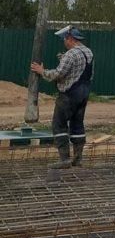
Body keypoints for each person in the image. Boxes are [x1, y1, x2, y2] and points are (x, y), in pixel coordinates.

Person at [30, 26, 94, 169]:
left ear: (70, 38)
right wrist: (63, 58)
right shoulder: (88, 52)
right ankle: (78, 159)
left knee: (59, 125)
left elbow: (58, 74)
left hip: (69, 95)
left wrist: (42, 71)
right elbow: (80, 70)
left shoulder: (71, 54)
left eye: (65, 39)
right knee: (77, 125)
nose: (64, 42)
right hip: (83, 94)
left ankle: (64, 159)